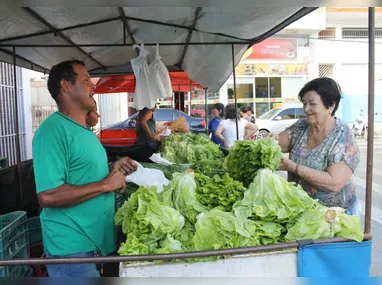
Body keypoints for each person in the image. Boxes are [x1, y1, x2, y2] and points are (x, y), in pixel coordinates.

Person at [32, 59, 138, 278]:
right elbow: (48, 196)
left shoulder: (84, 131)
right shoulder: (52, 130)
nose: (93, 86)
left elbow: (83, 174)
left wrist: (112, 167)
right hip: (73, 253)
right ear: (66, 86)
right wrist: (106, 184)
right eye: (86, 80)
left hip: (95, 245)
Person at [270, 77, 361, 216]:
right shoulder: (302, 126)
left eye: (312, 104)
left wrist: (293, 167)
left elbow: (334, 183)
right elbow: (274, 144)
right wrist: (261, 135)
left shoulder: (342, 137)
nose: (306, 109)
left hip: (336, 215)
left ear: (331, 105)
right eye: (304, 103)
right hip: (303, 210)